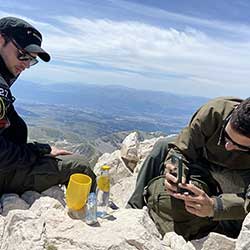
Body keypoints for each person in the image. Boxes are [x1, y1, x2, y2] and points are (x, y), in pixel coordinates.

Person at [128, 96, 250, 240]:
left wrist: (215, 206)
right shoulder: (215, 111)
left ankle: (221, 230)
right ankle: (133, 209)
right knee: (163, 145)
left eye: (239, 145)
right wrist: (176, 170)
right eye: (226, 137)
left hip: (243, 174)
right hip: (205, 159)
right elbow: (181, 149)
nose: (228, 146)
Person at [0, 16, 96, 197]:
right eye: (23, 54)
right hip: (5, 169)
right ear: (0, 39)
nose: (26, 65)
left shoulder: (3, 79)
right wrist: (37, 151)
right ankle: (89, 218)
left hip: (9, 164)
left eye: (31, 60)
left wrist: (40, 150)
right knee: (80, 167)